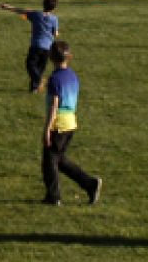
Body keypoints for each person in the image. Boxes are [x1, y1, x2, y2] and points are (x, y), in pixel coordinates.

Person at [40, 42, 103, 206]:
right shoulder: (73, 75)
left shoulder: (54, 79)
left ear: (51, 58)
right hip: (71, 123)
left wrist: (47, 129)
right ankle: (90, 184)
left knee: (49, 161)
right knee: (59, 160)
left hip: (59, 124)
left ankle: (54, 197)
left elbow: (54, 105)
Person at [0, 0, 59, 92]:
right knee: (40, 68)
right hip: (48, 47)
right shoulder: (54, 19)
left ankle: (38, 82)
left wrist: (7, 7)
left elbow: (21, 11)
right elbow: (55, 33)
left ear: (43, 4)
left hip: (36, 45)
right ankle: (34, 89)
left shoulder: (36, 15)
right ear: (54, 8)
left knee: (30, 64)